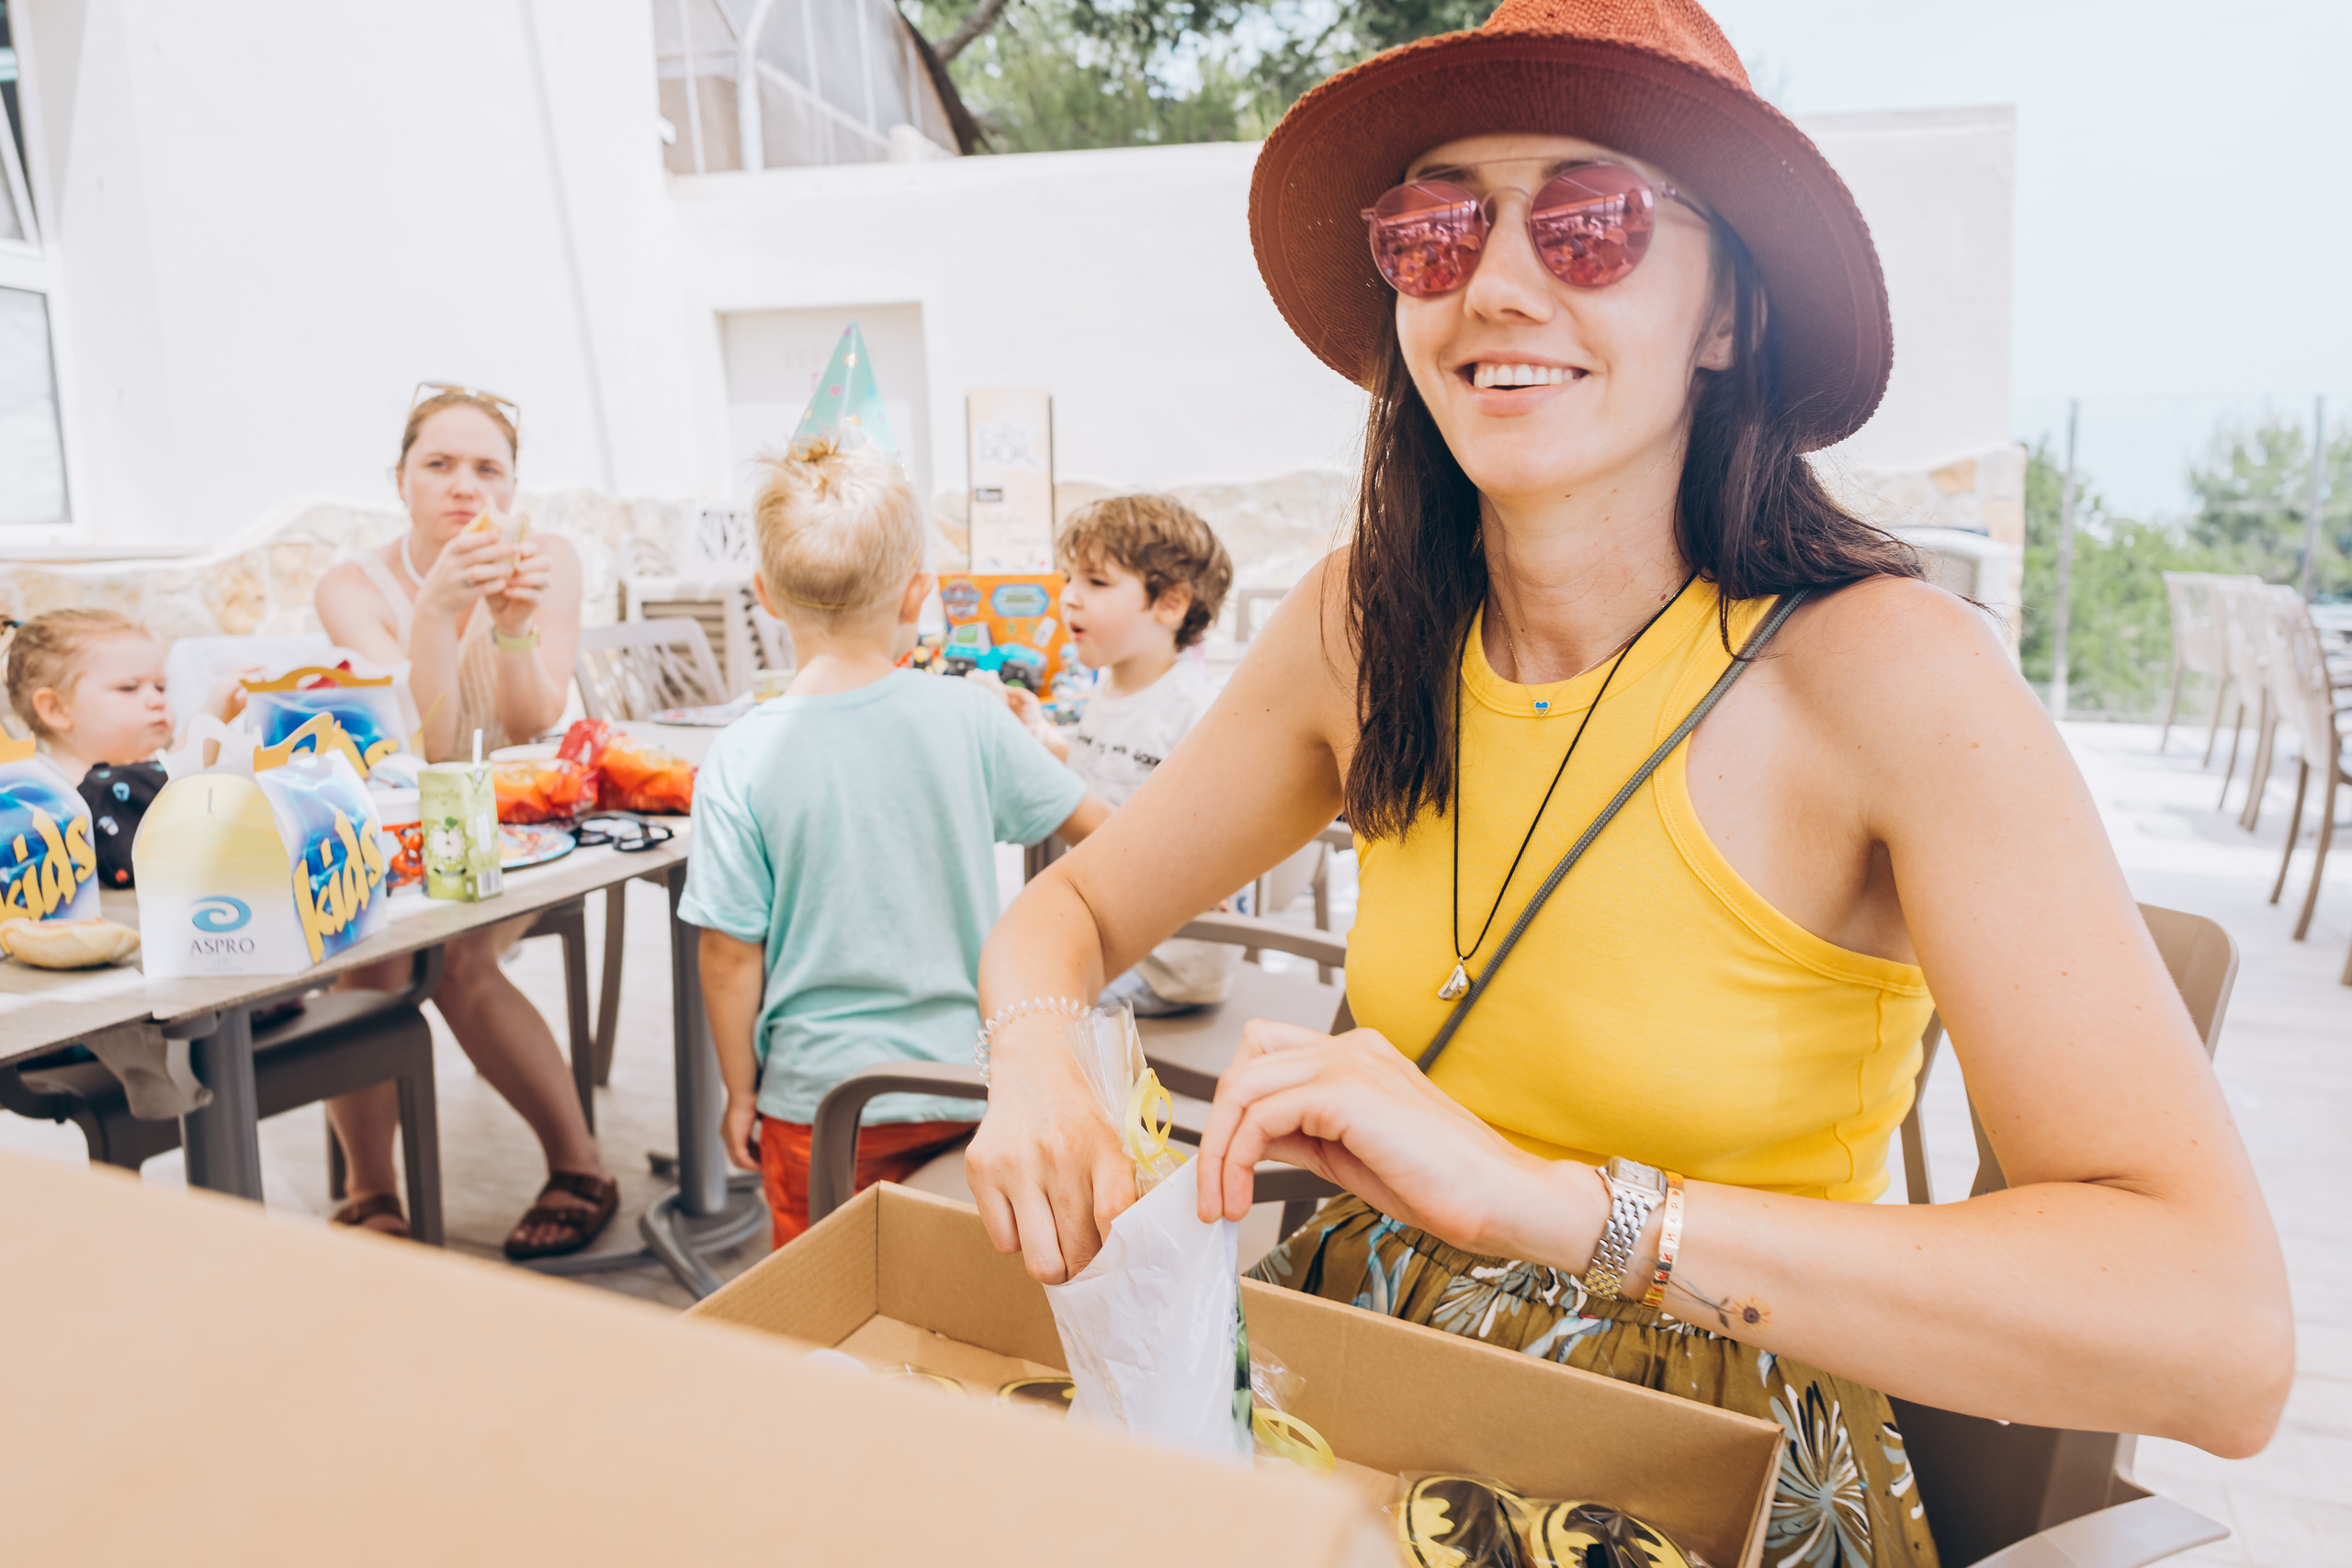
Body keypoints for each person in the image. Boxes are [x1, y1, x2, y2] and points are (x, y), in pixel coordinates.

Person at [963, 3, 2291, 1560]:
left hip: (1703, 1453)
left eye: (1592, 222)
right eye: (1435, 227)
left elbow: (2219, 1339)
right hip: (1347, 1368)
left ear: (1726, 313)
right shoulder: (1359, 626)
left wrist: (1548, 1201)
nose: (1498, 284)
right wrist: (1039, 1055)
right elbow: (1069, 915)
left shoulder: (1892, 680)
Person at [682, 434, 1112, 1249]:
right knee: (957, 1295)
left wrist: (741, 1091)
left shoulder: (738, 755)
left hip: (822, 1101)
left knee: (824, 1305)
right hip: (972, 1084)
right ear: (919, 595)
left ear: (765, 595)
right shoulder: (971, 717)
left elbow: (728, 955)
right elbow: (1104, 837)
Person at [313, 385, 614, 1258]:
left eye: (487, 468)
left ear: (513, 488)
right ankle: (372, 1192)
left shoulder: (545, 555)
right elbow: (423, 743)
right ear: (400, 478)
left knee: (456, 955)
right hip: (403, 817)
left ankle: (579, 1164)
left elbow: (526, 723)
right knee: (365, 953)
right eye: (438, 464)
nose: (462, 486)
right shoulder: (352, 585)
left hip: (518, 820)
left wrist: (513, 627)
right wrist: (437, 612)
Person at [1006, 495, 1237, 1016]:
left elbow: (1210, 841)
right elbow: (1105, 769)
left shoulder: (1192, 709)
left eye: (1097, 583)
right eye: (1070, 580)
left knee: (1019, 1005)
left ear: (1169, 604)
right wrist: (1043, 734)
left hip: (1165, 966)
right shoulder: (1112, 686)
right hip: (1115, 938)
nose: (1070, 599)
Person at [3, 608, 244, 887]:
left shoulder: (134, 774)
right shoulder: (65, 797)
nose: (156, 700)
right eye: (129, 688)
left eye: (160, 687)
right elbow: (175, 790)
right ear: (56, 709)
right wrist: (211, 717)